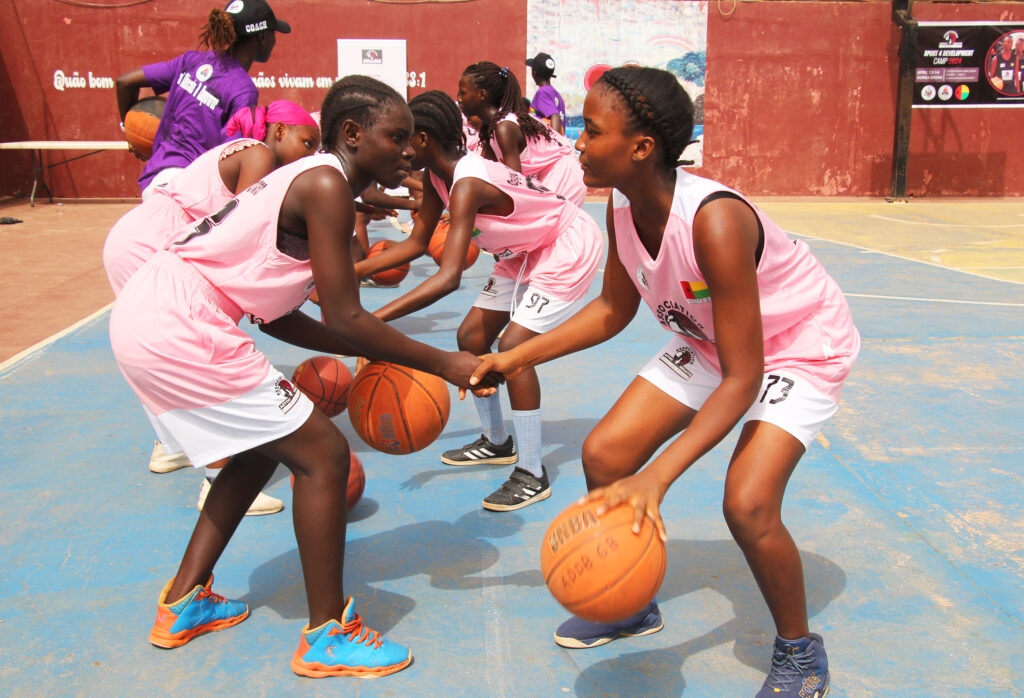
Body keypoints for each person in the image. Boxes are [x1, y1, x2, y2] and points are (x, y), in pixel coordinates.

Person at [469, 66, 860, 697]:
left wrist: (658, 477)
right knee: (604, 454)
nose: (577, 145)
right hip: (713, 338)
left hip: (798, 346)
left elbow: (744, 378)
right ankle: (632, 600)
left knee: (747, 503)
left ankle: (800, 652)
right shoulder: (620, 206)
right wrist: (513, 357)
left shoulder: (715, 221)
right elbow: (610, 312)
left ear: (642, 147)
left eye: (591, 132)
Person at [108, 76, 498, 678]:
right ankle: (326, 635)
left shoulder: (311, 179)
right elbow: (345, 314)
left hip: (154, 314)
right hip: (182, 321)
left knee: (260, 450)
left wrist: (367, 353)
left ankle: (183, 603)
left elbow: (281, 318)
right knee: (324, 454)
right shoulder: (325, 184)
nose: (407, 149)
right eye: (395, 137)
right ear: (352, 133)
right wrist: (443, 362)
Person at [367, 90, 604, 511]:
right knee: (471, 335)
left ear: (423, 140)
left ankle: (533, 472)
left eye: (403, 139)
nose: (400, 150)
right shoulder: (441, 177)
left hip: (564, 243)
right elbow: (419, 243)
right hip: (523, 250)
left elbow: (447, 279)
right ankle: (498, 442)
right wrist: (343, 277)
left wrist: (372, 323)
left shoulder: (468, 183)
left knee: (514, 349)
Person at [103, 99, 320, 516]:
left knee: (173, 350)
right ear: (277, 132)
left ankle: (170, 447)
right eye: (306, 143)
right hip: (150, 241)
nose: (310, 156)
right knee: (196, 347)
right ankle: (216, 480)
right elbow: (243, 232)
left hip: (141, 236)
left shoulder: (249, 154)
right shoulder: (257, 156)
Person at [115, 0, 290, 199]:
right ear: (262, 37)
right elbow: (234, 154)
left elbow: (124, 82)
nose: (275, 41)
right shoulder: (243, 90)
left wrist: (128, 128)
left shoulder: (191, 61)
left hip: (154, 183)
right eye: (274, 34)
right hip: (190, 194)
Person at [458, 61, 585, 206]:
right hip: (550, 175)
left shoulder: (504, 127)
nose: (459, 99)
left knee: (535, 222)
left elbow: (515, 187)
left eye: (463, 93)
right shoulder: (490, 130)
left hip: (564, 175)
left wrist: (472, 211)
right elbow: (486, 176)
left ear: (482, 94)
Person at [525, 52, 567, 135]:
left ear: (534, 72)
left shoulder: (542, 93)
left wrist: (555, 142)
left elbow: (555, 116)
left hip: (545, 146)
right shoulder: (556, 94)